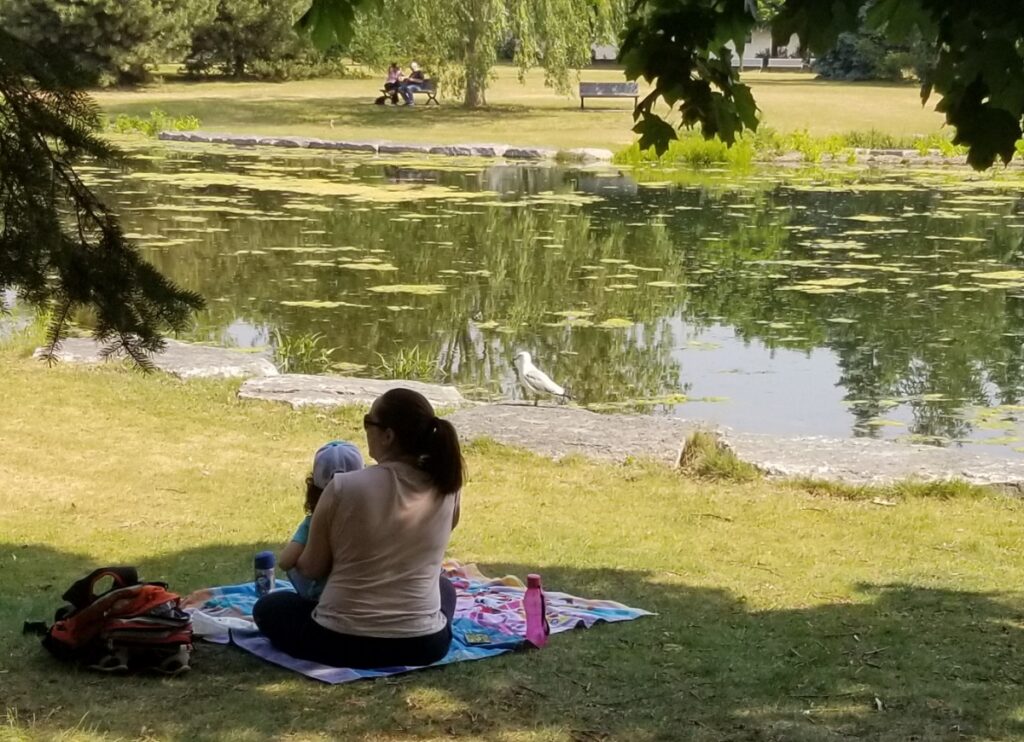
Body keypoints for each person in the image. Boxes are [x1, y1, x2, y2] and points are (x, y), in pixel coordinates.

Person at [253, 388, 465, 669]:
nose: (365, 429)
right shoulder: (448, 487)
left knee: (269, 607)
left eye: (368, 422)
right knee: (444, 588)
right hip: (425, 644)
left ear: (388, 435)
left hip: (340, 641)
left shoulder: (343, 487)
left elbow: (312, 568)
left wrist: (295, 555)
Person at [278, 440, 364, 600]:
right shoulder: (370, 518)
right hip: (363, 599)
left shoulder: (312, 522)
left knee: (271, 606)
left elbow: (285, 561)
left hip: (323, 601)